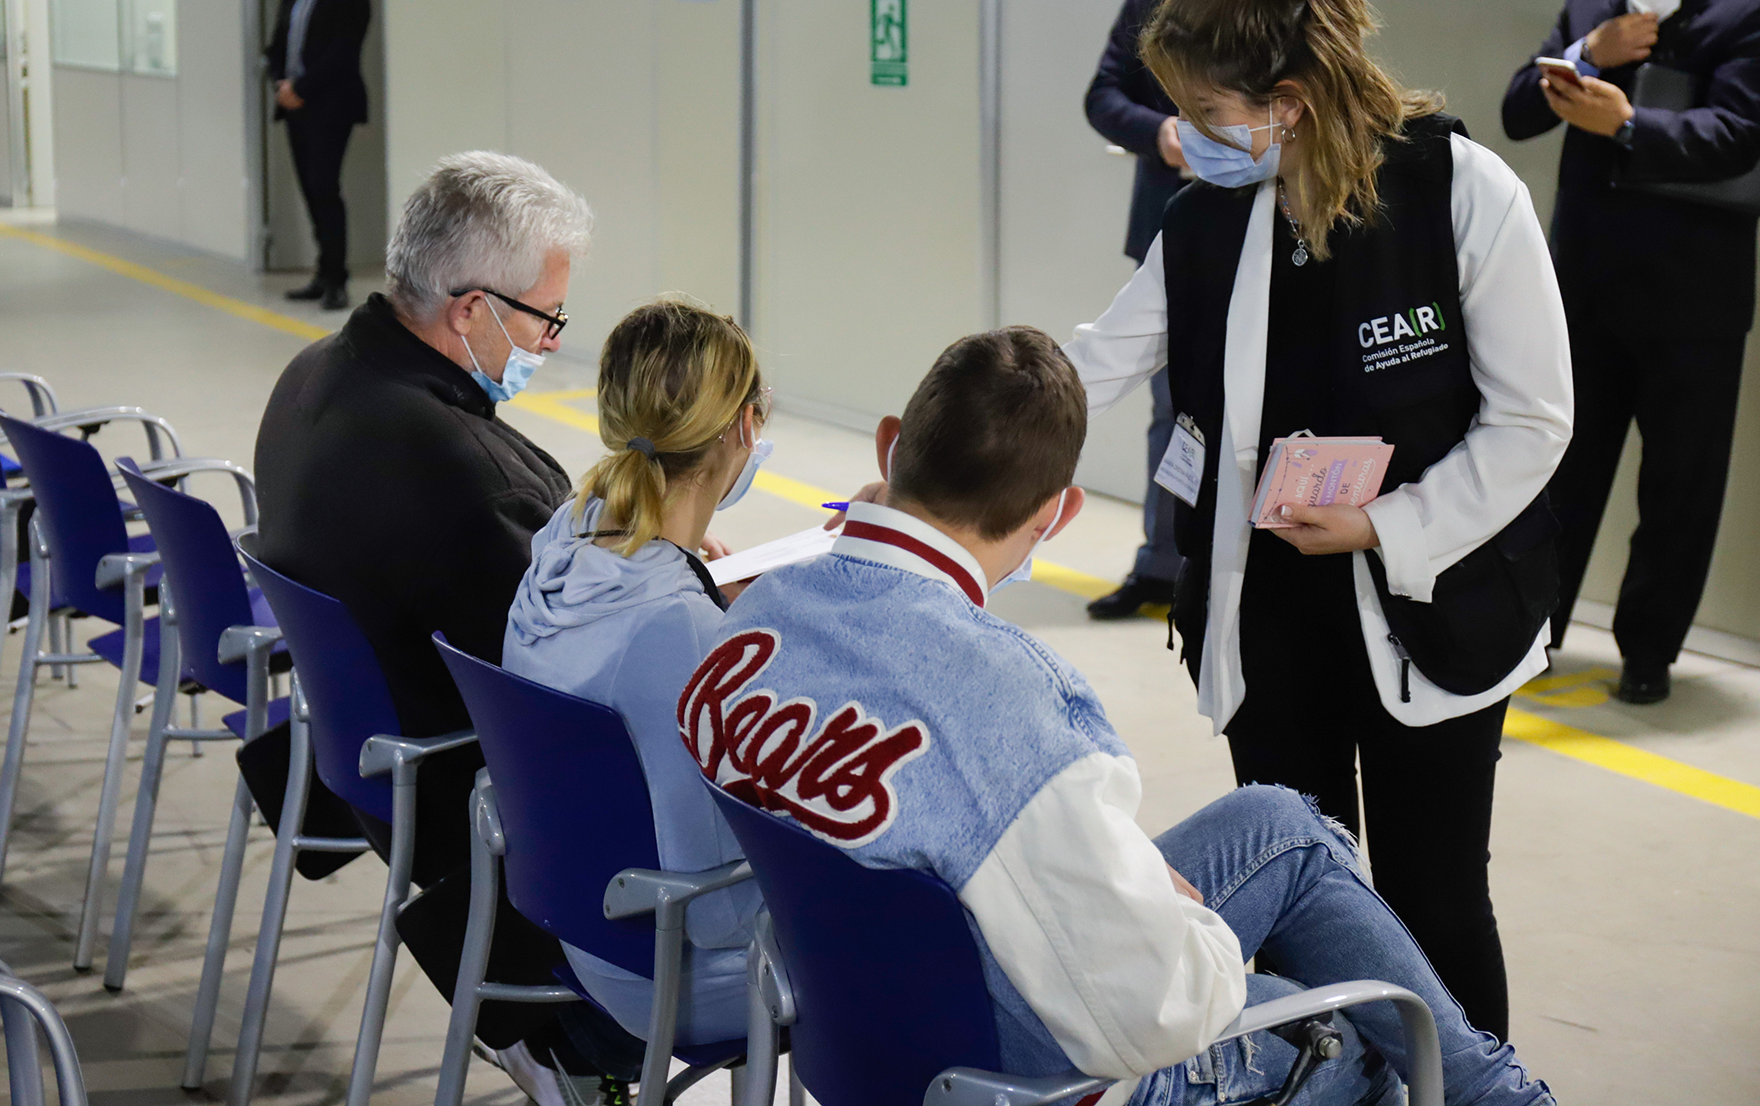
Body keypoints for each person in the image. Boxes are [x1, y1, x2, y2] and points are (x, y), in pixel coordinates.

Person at [686, 328, 1555, 1106]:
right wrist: (1188, 923)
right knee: (1370, 1051)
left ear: (889, 446)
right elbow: (1155, 1013)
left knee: (1280, 822)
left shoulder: (757, 618)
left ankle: (1495, 1091)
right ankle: (1493, 1094)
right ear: (1057, 515)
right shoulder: (1017, 700)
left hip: (870, 1030)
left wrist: (1133, 885)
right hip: (1031, 1075)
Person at [1062, 0, 1572, 1040]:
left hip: (1432, 608)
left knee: (1432, 901)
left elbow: (1533, 420)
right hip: (1269, 615)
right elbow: (1094, 361)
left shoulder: (1457, 191)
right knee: (1302, 902)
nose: (1186, 139)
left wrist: (1389, 527)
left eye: (1205, 115)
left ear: (1284, 102)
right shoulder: (1205, 223)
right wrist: (958, 430)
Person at [252, 150, 606, 1106]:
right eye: (544, 317)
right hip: (463, 807)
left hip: (356, 759)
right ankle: (573, 1031)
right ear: (469, 309)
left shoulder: (311, 374)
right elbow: (572, 670)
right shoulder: (458, 466)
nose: (553, 342)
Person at [1501, 0, 1760, 704]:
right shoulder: (1591, 1)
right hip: (1587, 291)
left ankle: (1648, 654)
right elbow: (1516, 108)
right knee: (1561, 474)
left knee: (1679, 489)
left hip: (1695, 301)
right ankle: (1534, 636)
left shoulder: (1748, 8)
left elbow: (1738, 135)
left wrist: (1630, 123)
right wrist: (1586, 52)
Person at [503, 297, 771, 1064]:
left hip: (578, 919)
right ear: (742, 430)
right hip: (666, 972)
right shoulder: (676, 629)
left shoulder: (562, 541)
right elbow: (721, 912)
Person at [1082, 0, 1279, 621]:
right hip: (1175, 220)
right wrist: (1160, 134)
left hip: (1276, 221)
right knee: (1173, 408)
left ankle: (1259, 573)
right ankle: (1163, 566)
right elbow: (1102, 94)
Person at [265, 0, 372, 311]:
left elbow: (342, 53)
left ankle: (337, 279)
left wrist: (303, 88)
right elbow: (277, 46)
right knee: (310, 191)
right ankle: (321, 272)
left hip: (329, 106)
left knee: (326, 188)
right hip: (293, 107)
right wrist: (281, 83)